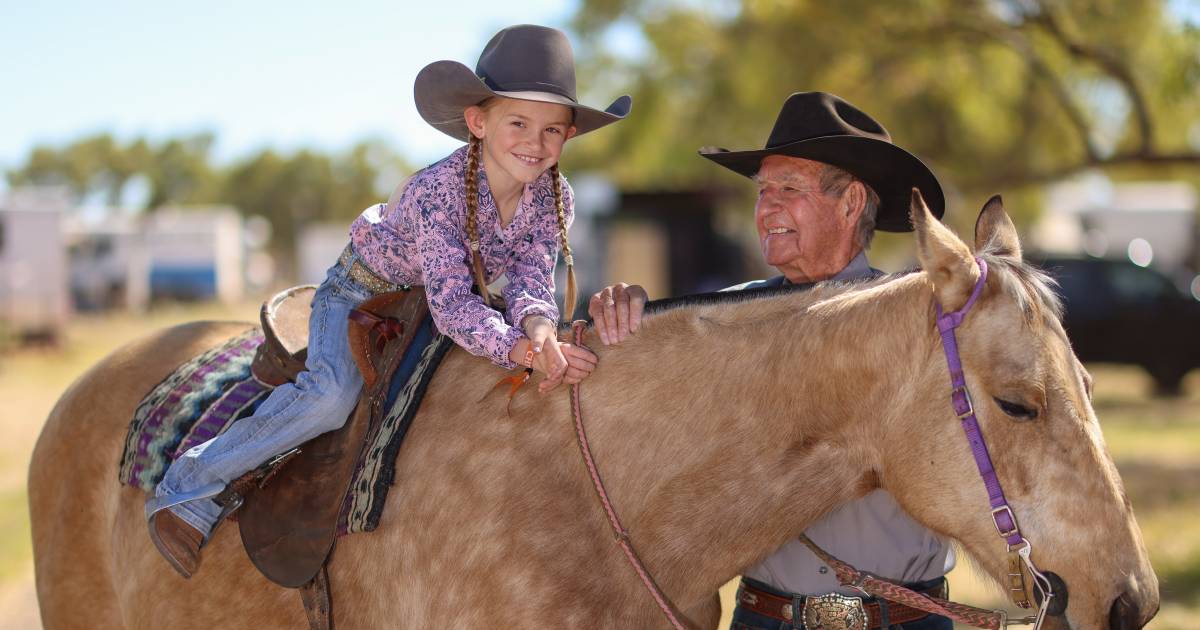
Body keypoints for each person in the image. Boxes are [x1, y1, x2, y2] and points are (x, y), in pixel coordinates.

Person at [146, 24, 631, 578]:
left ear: (568, 136)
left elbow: (529, 277)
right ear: (478, 122)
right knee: (330, 395)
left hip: (437, 298)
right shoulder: (435, 192)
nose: (534, 142)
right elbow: (453, 306)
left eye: (551, 129)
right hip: (362, 292)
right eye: (517, 122)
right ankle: (188, 485)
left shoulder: (553, 196)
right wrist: (518, 349)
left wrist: (542, 332)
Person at [589, 92, 954, 630]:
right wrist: (626, 322)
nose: (766, 209)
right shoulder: (726, 321)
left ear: (852, 203)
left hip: (906, 621)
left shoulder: (926, 323)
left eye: (789, 189)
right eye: (763, 191)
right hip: (766, 619)